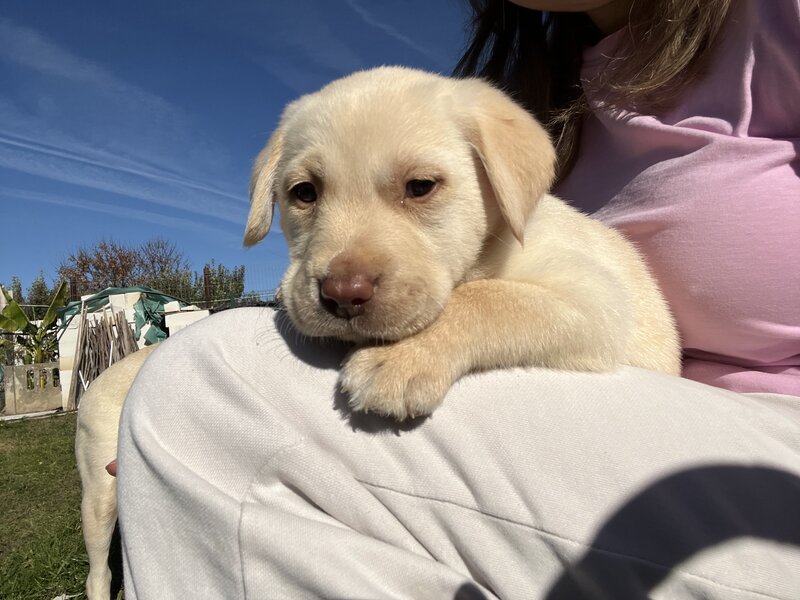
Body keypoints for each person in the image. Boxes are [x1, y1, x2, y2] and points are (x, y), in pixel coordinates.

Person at [116, 1, 800, 598]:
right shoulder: (551, 88)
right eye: (305, 193)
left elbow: (595, 316)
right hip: (639, 449)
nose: (344, 271)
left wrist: (449, 333)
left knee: (205, 386)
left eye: (418, 189)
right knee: (232, 391)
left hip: (762, 470)